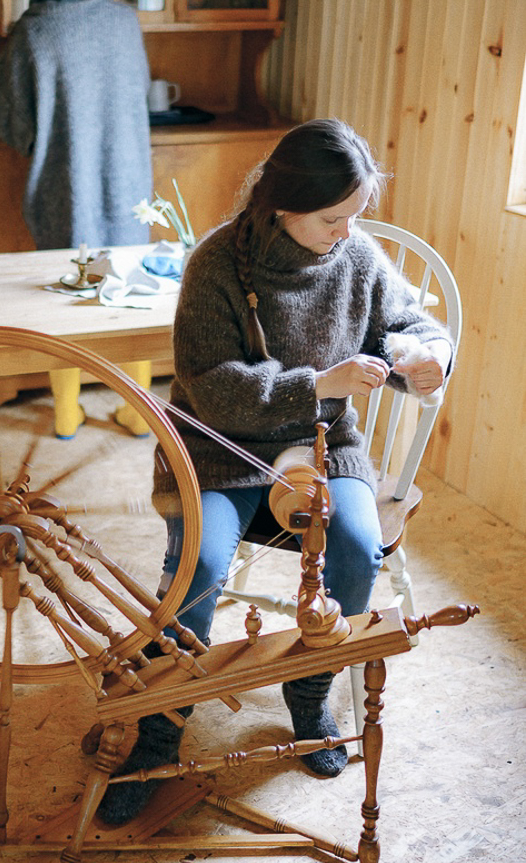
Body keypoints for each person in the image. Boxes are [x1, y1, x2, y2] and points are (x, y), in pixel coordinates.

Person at [98, 117, 454, 825]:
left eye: (355, 217)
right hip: (217, 448)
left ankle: (307, 694)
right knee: (198, 570)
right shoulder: (215, 265)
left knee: (354, 551)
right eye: (331, 218)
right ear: (282, 203)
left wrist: (426, 356)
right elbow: (211, 387)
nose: (346, 233)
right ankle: (158, 731)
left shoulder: (355, 260)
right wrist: (320, 381)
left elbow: (414, 323)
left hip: (323, 448)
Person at [0, 0, 154, 437]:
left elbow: (6, 121)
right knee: (128, 295)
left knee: (67, 297)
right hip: (127, 184)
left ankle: (65, 410)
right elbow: (142, 93)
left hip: (63, 188)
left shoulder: (32, 31)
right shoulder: (125, 22)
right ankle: (136, 409)